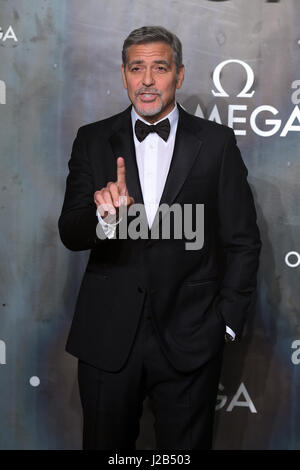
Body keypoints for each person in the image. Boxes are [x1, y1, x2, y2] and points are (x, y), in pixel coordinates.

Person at [58, 26, 261, 450]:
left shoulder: (216, 143)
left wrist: (224, 323)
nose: (147, 80)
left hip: (191, 337)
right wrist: (104, 218)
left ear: (180, 75)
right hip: (108, 339)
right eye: (137, 68)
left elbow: (242, 240)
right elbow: (70, 231)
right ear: (124, 75)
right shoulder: (93, 140)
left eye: (160, 68)